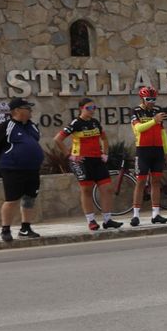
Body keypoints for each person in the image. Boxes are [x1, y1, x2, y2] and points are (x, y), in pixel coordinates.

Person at [0, 98, 46, 242]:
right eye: (27, 108)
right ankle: (5, 229)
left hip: (32, 169)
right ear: (17, 110)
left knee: (30, 198)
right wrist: (8, 159)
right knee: (11, 199)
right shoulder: (5, 127)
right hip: (12, 169)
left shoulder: (32, 126)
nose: (30, 110)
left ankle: (25, 228)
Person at [56, 97, 121, 231]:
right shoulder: (76, 123)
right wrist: (70, 156)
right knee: (86, 190)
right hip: (82, 162)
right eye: (89, 108)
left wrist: (105, 153)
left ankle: (107, 220)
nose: (92, 111)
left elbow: (104, 138)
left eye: (94, 108)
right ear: (81, 109)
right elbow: (58, 139)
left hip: (97, 160)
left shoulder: (95, 122)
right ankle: (91, 221)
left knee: (107, 188)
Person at [129, 86, 167, 226]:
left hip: (158, 150)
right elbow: (138, 128)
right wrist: (154, 120)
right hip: (143, 150)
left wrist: (166, 151)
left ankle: (156, 214)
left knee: (156, 182)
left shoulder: (157, 111)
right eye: (149, 99)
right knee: (141, 182)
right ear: (142, 98)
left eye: (154, 99)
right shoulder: (136, 111)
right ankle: (135, 215)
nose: (152, 102)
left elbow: (162, 133)